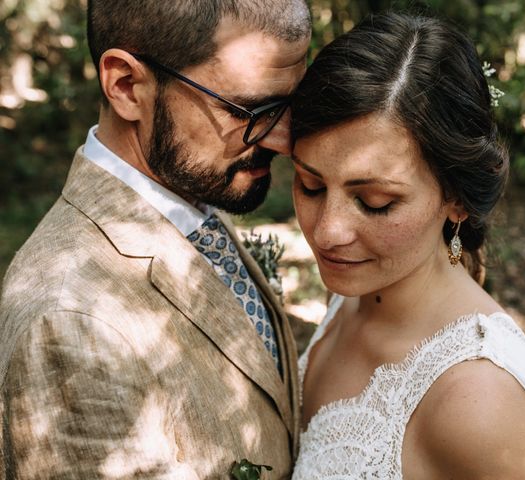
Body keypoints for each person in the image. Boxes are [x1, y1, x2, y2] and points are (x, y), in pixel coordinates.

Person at [289, 12, 525, 480]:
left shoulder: (480, 401)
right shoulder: (354, 288)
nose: (327, 232)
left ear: (458, 200)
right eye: (310, 185)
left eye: (375, 202)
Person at [0, 0, 310, 477]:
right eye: (250, 109)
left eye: (290, 105)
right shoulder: (71, 321)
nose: (281, 139)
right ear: (126, 86)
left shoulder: (191, 201)